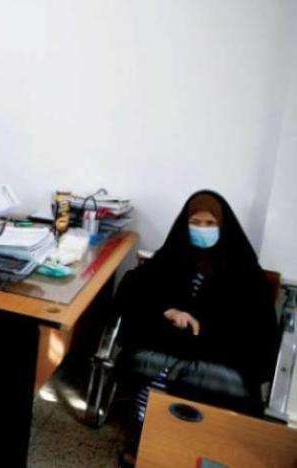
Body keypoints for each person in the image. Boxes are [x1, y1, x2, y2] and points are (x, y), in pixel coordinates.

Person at [116, 190, 278, 464]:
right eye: (195, 222)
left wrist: (208, 327)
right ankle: (148, 442)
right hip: (169, 344)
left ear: (222, 226)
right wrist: (169, 310)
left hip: (221, 352)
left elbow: (257, 327)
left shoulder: (244, 269)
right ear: (185, 224)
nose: (202, 229)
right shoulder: (172, 255)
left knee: (200, 384)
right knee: (156, 375)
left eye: (210, 223)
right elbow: (132, 288)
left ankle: (196, 450)